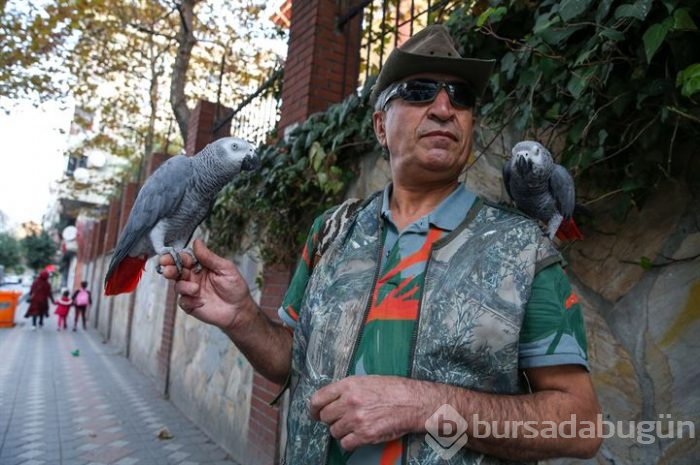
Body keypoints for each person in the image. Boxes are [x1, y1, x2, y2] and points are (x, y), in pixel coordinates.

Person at [159, 25, 602, 465]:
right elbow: (292, 362)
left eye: (460, 97)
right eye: (421, 90)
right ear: (379, 126)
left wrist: (424, 405)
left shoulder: (522, 248)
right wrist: (241, 317)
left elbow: (580, 425)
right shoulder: (330, 231)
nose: (445, 108)